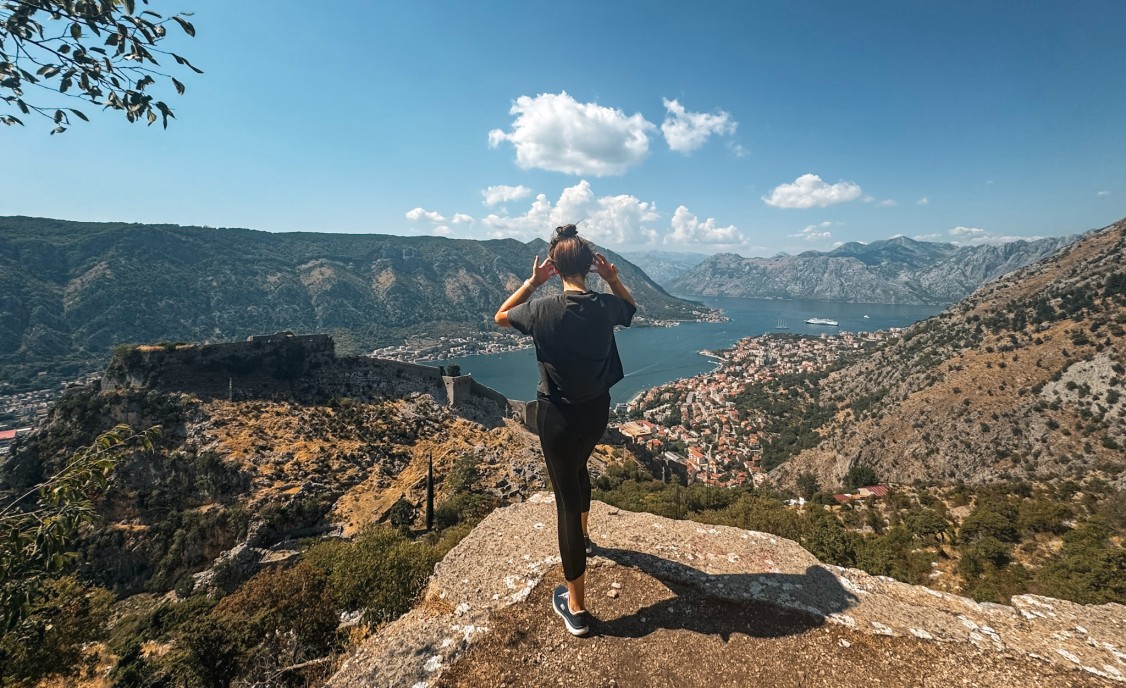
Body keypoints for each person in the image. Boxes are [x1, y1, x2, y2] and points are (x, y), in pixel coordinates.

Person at [494, 223, 636, 637]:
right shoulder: (605, 306)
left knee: (565, 503)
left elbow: (501, 316)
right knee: (579, 469)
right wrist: (614, 280)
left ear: (554, 268)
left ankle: (575, 608)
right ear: (591, 265)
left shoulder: (542, 309)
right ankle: (586, 536)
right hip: (596, 414)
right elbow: (629, 309)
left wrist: (531, 283)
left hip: (556, 418)